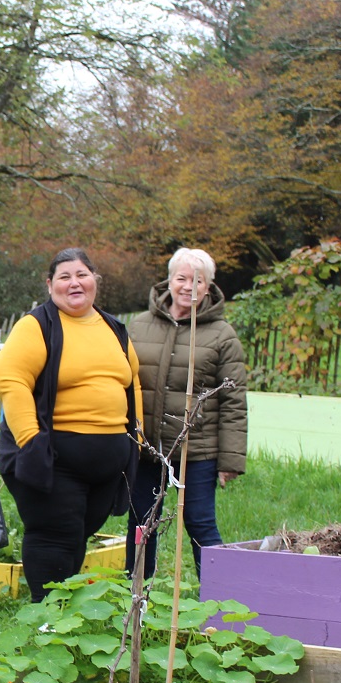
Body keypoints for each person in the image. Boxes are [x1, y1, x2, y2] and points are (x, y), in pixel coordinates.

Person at [0, 247, 140, 603]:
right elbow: (7, 378)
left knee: (74, 538)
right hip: (52, 459)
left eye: (82, 274)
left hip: (107, 463)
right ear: (50, 285)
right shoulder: (37, 325)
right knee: (53, 538)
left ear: (95, 280)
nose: (75, 283)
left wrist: (137, 440)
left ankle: (65, 619)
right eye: (64, 277)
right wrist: (31, 440)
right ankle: (46, 622)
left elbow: (131, 383)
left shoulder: (113, 327)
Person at [126, 247, 247, 578]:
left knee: (199, 522)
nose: (188, 286)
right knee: (141, 522)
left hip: (198, 451)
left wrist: (231, 461)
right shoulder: (138, 327)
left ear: (209, 287)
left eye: (199, 280)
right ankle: (134, 599)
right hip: (149, 449)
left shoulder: (223, 336)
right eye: (181, 278)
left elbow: (234, 402)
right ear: (169, 281)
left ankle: (218, 597)